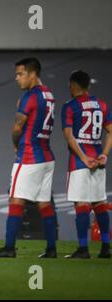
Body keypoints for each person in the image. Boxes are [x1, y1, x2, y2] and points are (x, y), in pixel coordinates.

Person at [0, 58, 58, 258]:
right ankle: (51, 249)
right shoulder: (49, 95)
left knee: (15, 201)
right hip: (47, 155)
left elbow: (18, 127)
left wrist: (15, 145)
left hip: (29, 155)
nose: (17, 78)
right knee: (44, 204)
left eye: (20, 74)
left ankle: (9, 248)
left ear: (33, 73)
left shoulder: (30, 97)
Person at [61, 70, 111, 259]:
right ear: (88, 86)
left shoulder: (70, 106)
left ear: (73, 86)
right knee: (99, 202)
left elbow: (69, 136)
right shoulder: (101, 104)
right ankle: (106, 247)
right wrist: (104, 154)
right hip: (98, 158)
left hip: (80, 161)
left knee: (81, 204)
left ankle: (83, 249)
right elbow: (111, 131)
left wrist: (82, 157)